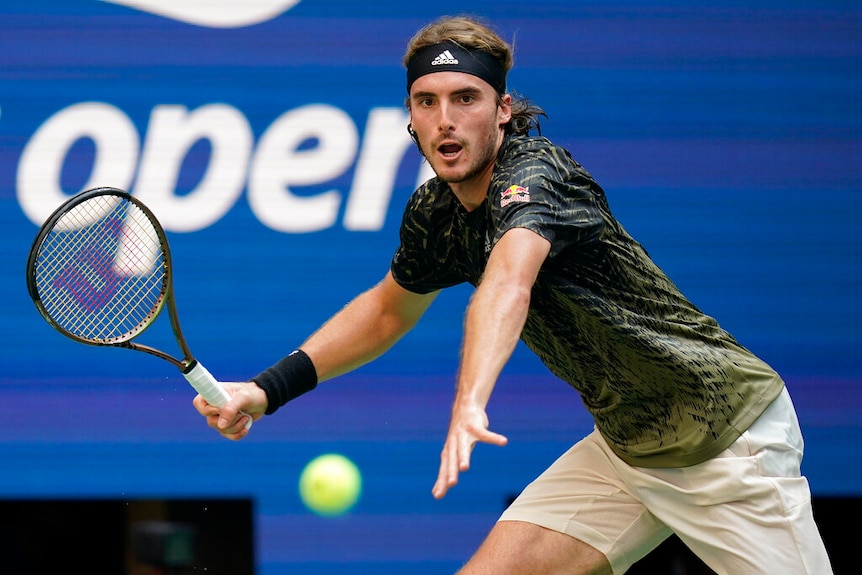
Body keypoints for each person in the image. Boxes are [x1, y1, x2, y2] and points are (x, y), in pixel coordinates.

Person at [194, 15, 833, 575]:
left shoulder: (539, 173)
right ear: (410, 116)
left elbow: (509, 280)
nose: (445, 120)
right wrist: (267, 389)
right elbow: (388, 310)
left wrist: (470, 403)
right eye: (426, 101)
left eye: (466, 98)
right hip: (628, 449)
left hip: (726, 439)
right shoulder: (434, 213)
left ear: (502, 109)